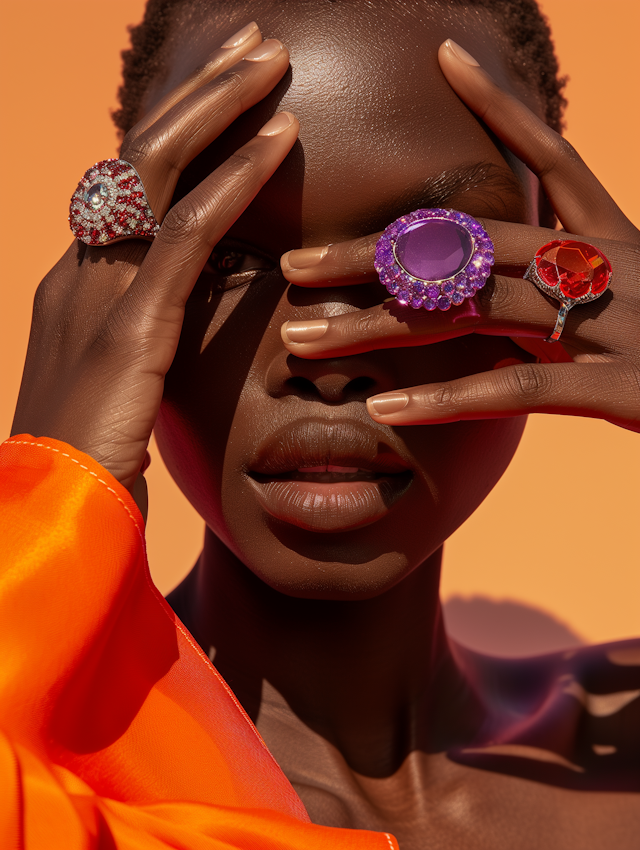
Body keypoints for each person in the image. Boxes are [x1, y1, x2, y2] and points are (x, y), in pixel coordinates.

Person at [2, 0, 639, 847]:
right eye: (221, 253)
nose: (324, 354)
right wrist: (46, 494)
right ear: (101, 300)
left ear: (556, 272)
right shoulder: (56, 785)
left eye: (435, 253)